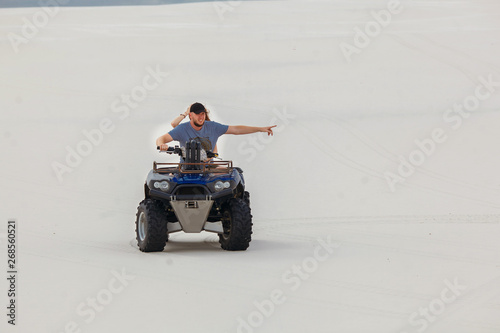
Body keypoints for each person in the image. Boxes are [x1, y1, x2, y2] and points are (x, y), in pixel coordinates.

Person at [156, 102, 276, 160]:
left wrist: (260, 129)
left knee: (233, 181)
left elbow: (236, 129)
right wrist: (162, 145)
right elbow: (161, 139)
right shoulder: (182, 129)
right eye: (198, 114)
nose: (201, 117)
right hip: (185, 170)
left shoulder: (213, 127)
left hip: (208, 170)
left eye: (203, 114)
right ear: (191, 115)